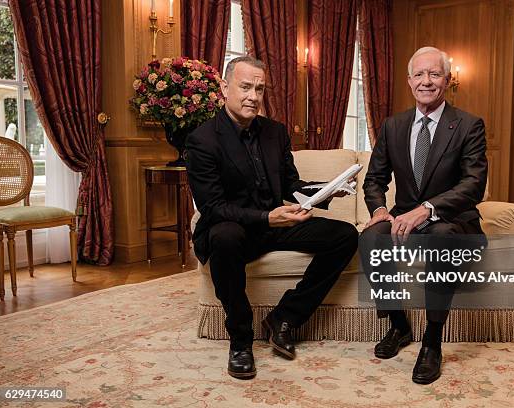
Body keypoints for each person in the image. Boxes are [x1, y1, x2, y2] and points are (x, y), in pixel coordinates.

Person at [185, 56, 358, 380]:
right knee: (224, 236)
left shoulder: (275, 133)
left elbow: (291, 186)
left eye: (259, 89)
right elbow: (213, 207)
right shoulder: (202, 140)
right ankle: (240, 340)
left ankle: (284, 318)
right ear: (225, 88)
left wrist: (326, 190)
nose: (253, 96)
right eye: (245, 87)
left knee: (345, 235)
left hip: (275, 223)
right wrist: (267, 218)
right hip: (233, 228)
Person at [360, 46, 488, 384]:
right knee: (371, 237)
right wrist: (380, 209)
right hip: (402, 219)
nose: (426, 81)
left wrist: (426, 209)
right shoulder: (392, 126)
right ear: (409, 81)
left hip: (451, 222)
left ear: (446, 80)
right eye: (419, 74)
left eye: (434, 74)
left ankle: (432, 341)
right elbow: (374, 179)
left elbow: (473, 185)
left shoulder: (468, 125)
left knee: (442, 239)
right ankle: (399, 326)